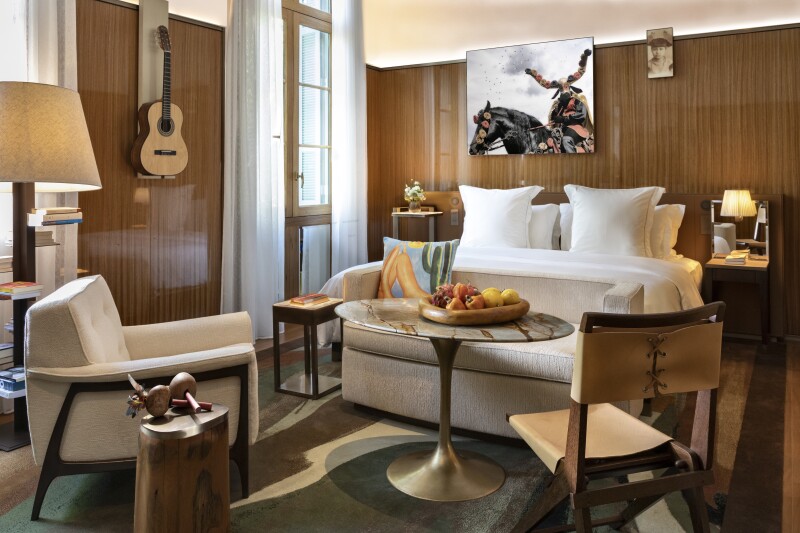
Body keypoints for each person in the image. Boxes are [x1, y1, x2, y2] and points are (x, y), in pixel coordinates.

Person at [547, 79, 593, 153]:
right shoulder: (558, 105)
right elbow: (555, 119)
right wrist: (555, 119)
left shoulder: (577, 101)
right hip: (562, 129)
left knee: (566, 140)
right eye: (561, 88)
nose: (563, 90)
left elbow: (581, 115)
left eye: (565, 87)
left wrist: (564, 119)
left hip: (575, 127)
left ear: (569, 87)